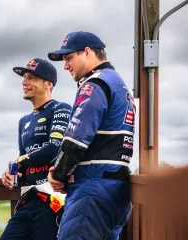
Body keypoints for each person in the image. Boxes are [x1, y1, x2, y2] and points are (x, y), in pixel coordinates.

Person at [47, 31, 136, 239]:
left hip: (93, 189)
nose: (65, 65)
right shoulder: (119, 84)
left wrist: (58, 174)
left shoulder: (94, 84)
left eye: (69, 58)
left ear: (87, 52)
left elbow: (75, 139)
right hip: (115, 187)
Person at [0, 58, 72, 240]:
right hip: (26, 199)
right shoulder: (23, 121)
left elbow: (55, 148)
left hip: (51, 200)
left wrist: (21, 161)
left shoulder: (61, 109)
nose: (24, 82)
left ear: (48, 84)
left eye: (31, 77)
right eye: (24, 77)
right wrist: (10, 172)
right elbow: (22, 157)